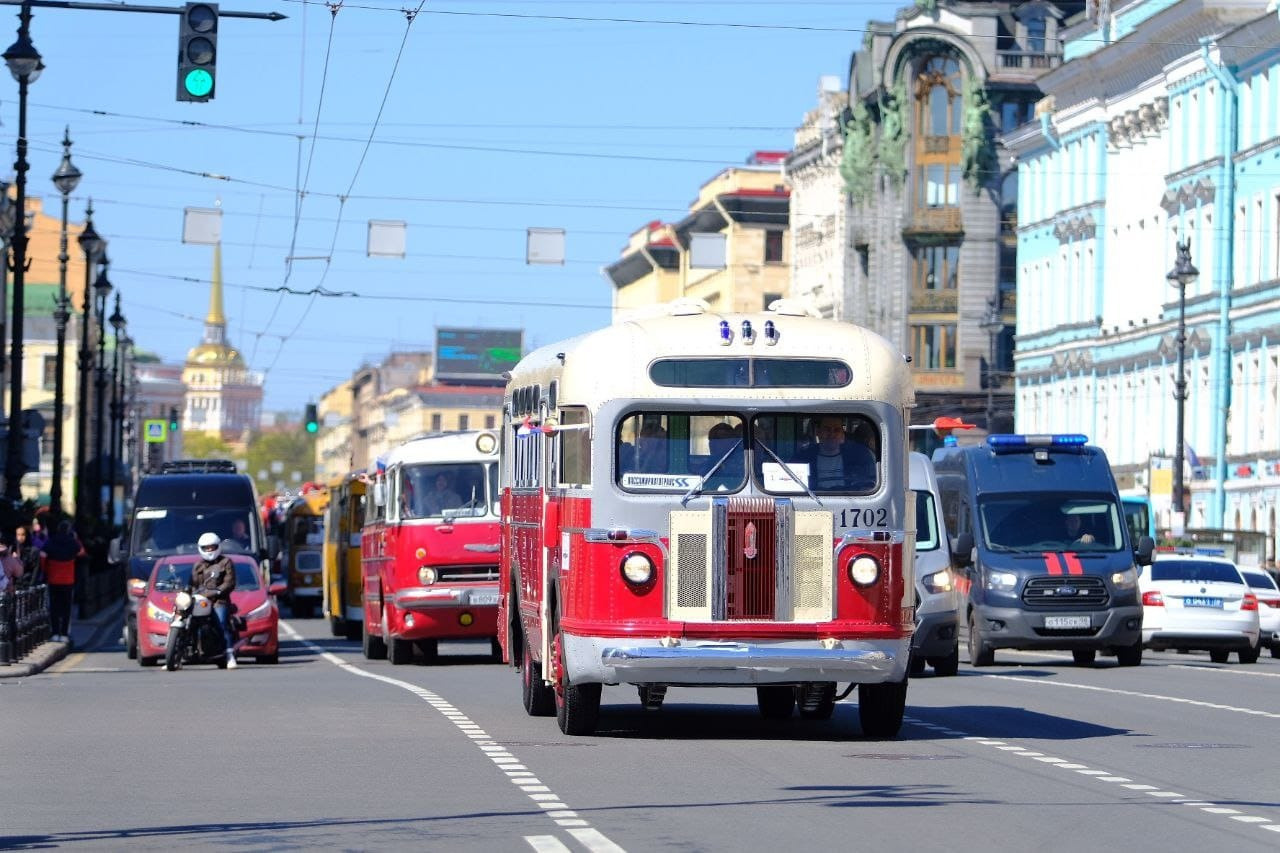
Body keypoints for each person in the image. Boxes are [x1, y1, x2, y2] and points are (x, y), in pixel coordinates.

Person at [192, 531, 238, 669]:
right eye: (206, 548)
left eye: (212, 547)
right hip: (201, 600)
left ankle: (230, 655)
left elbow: (229, 582)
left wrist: (217, 591)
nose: (209, 550)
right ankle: (176, 653)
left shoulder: (226, 562)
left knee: (221, 623)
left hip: (219, 601)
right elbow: (192, 584)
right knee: (187, 620)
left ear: (217, 546)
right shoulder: (198, 566)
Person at [794, 415, 877, 491]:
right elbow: (792, 486)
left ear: (842, 434)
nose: (832, 434)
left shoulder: (860, 456)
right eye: (827, 429)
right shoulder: (803, 457)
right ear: (818, 432)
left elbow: (870, 484)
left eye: (837, 430)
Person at [40, 520, 83, 644]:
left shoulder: (52, 540)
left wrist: (46, 570)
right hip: (68, 579)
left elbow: (43, 555)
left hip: (53, 578)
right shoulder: (72, 542)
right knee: (66, 608)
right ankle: (64, 633)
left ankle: (54, 633)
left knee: (54, 607)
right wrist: (76, 538)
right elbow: (81, 552)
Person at [703, 422, 744, 490]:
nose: (712, 444)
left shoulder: (741, 461)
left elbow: (736, 486)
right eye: (711, 440)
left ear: (732, 442)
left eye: (719, 439)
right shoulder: (711, 461)